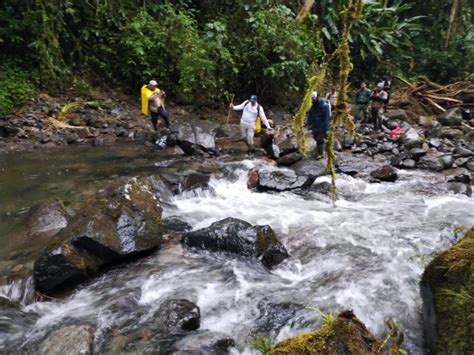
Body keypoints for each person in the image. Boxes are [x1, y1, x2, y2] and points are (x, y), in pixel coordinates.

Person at [307, 91, 331, 159]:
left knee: (319, 139)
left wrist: (325, 128)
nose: (312, 100)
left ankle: (320, 153)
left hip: (322, 125)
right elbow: (310, 115)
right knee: (315, 137)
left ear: (317, 98)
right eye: (311, 98)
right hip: (315, 125)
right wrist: (309, 123)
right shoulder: (313, 106)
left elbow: (326, 118)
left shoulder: (324, 106)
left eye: (313, 98)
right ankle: (321, 148)